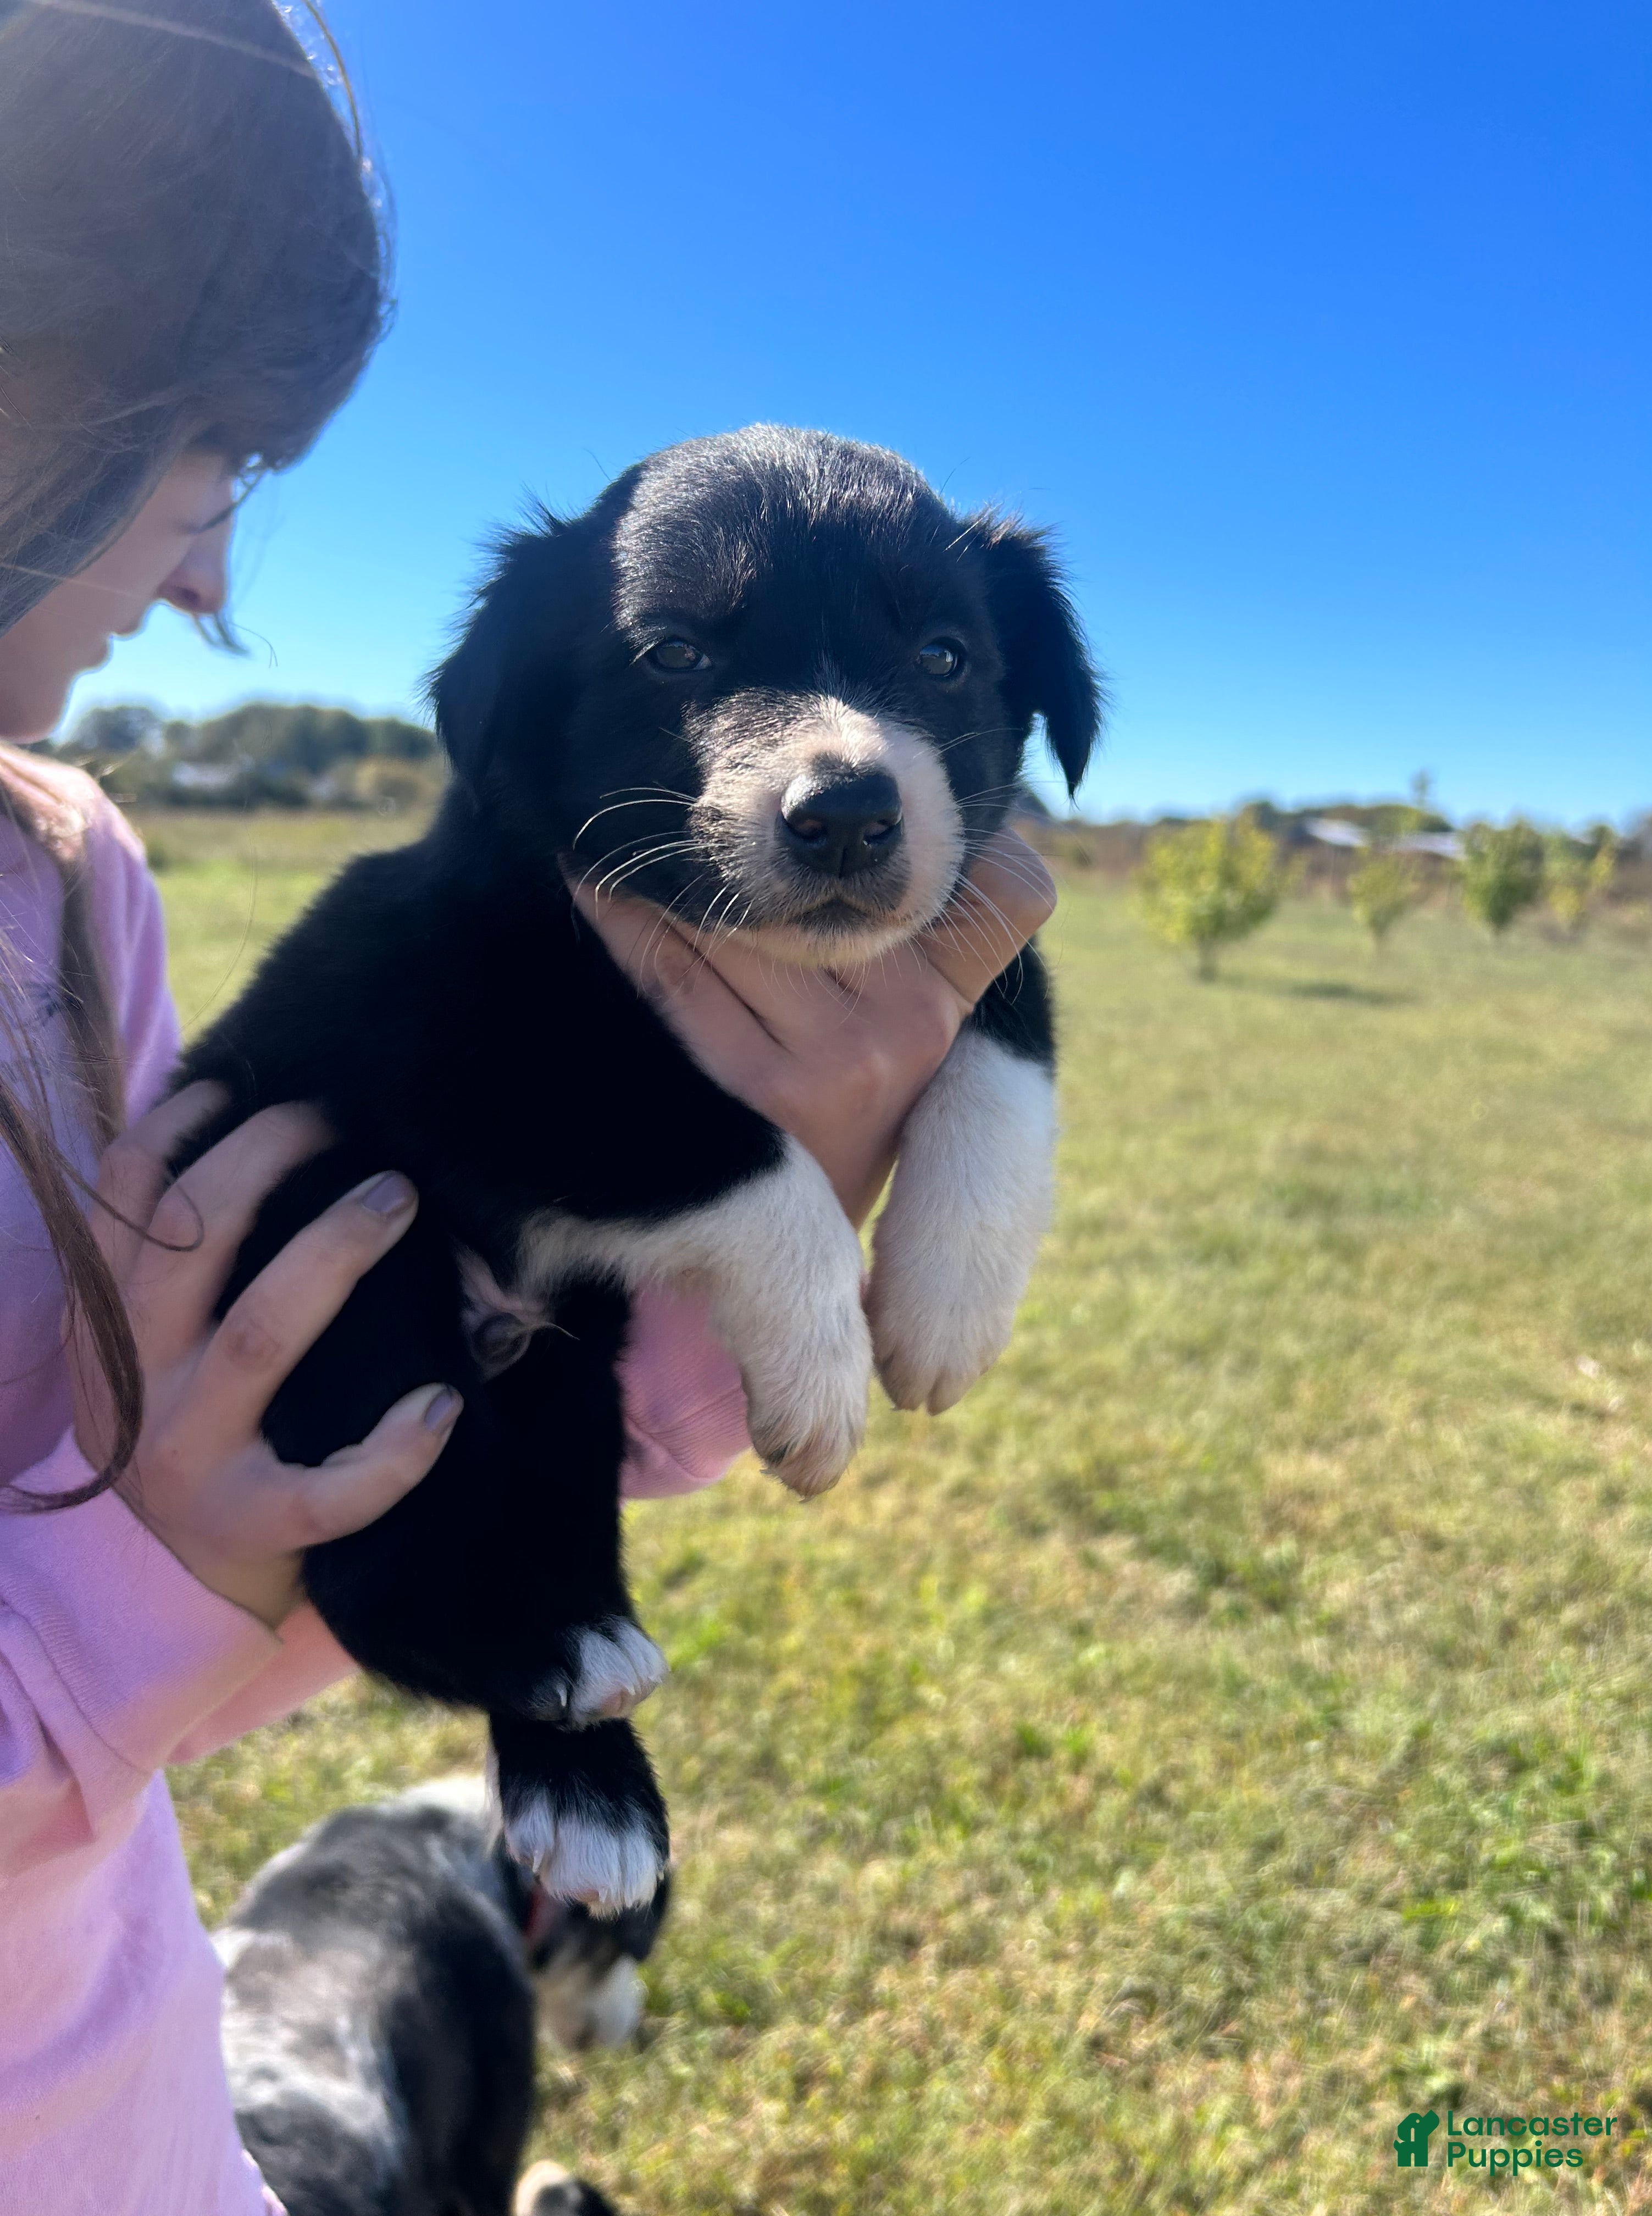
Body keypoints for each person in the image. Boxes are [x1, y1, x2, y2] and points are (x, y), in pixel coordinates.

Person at [0, 3, 1056, 2211]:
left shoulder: (73, 892)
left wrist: (778, 1230)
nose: (211, 576)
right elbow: (148, 1597)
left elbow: (320, 1433)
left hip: (128, 2098)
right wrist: (131, 1604)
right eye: (196, 454)